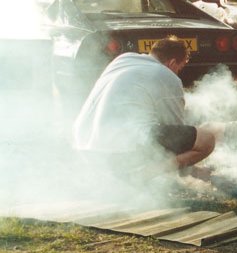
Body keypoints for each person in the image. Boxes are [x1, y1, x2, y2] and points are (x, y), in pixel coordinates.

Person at [73, 36, 216, 180]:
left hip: (84, 147)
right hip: (118, 154)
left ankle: (117, 176)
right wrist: (190, 170)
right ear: (172, 62)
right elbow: (177, 140)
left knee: (151, 132)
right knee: (206, 139)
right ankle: (138, 177)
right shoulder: (167, 76)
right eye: (180, 68)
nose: (178, 72)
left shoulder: (123, 59)